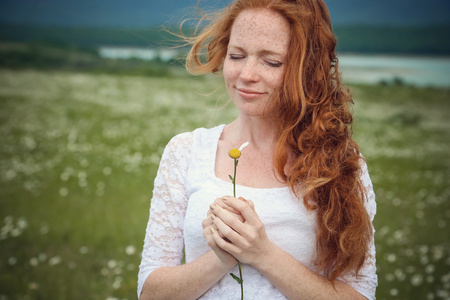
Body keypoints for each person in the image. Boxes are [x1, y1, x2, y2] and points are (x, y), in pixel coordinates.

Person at [138, 0, 377, 299]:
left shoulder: (339, 165)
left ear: (307, 70)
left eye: (271, 62)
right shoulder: (186, 151)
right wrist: (222, 258)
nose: (247, 74)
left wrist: (262, 254)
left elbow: (360, 294)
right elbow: (150, 292)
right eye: (236, 55)